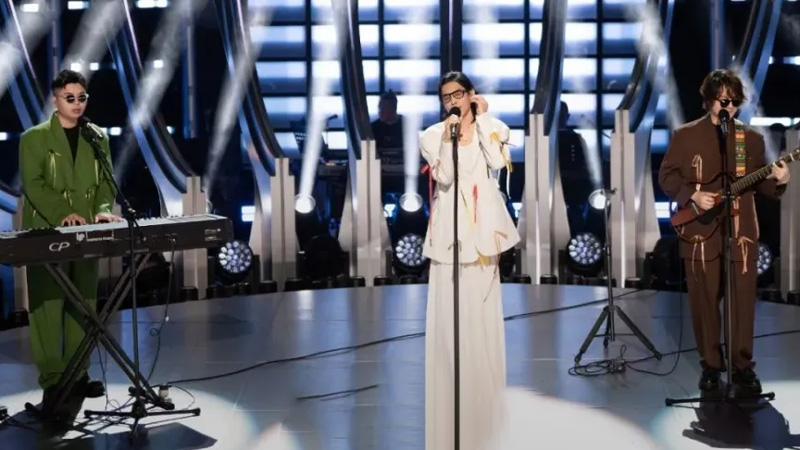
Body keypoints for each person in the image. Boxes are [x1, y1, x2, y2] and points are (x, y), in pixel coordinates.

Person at [658, 69, 790, 395]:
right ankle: (711, 366)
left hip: (741, 232)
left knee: (742, 303)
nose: (728, 106)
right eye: (722, 100)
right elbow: (667, 176)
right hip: (700, 232)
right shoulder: (686, 135)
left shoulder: (751, 139)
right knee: (704, 301)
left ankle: (743, 368)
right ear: (708, 101)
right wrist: (692, 194)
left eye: (733, 101)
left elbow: (762, 186)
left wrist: (781, 181)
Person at [420, 71, 519, 450]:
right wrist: (450, 135)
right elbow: (444, 176)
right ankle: (450, 412)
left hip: (483, 236)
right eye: (446, 97)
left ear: (471, 95)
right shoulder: (431, 135)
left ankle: (485, 412)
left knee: (482, 319)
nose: (452, 101)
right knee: (449, 322)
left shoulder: (492, 128)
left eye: (458, 94)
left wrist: (482, 119)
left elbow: (496, 162)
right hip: (448, 238)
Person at [19, 69, 122, 420]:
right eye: (70, 98)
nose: (77, 104)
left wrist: (104, 209)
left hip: (88, 230)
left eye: (82, 98)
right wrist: (63, 213)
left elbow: (107, 181)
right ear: (55, 100)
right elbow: (33, 184)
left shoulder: (97, 136)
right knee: (48, 304)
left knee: (83, 301)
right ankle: (53, 379)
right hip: (46, 231)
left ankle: (78, 374)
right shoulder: (34, 138)